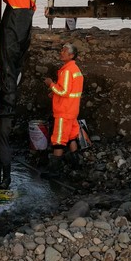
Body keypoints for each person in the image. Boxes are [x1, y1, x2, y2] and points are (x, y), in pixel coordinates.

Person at [0, 0, 36, 189]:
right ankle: (4, 179)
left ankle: (5, 179)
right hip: (21, 40)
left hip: (11, 38)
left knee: (7, 68)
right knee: (14, 69)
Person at [42, 42, 84, 178]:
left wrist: (51, 85)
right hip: (72, 110)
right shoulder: (75, 69)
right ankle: (76, 165)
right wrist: (54, 91)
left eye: (64, 51)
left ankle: (54, 171)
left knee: (58, 139)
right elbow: (71, 90)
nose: (61, 52)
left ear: (71, 55)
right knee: (72, 136)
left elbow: (64, 91)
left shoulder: (66, 71)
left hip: (64, 111)